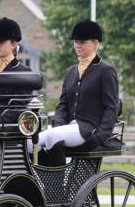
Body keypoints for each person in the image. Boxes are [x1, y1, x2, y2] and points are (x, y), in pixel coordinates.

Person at [37, 19, 121, 165]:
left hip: (88, 129)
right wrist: (59, 124)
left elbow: (111, 107)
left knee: (52, 137)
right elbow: (63, 104)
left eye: (82, 42)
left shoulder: (106, 70)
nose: (77, 45)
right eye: (75, 42)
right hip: (68, 127)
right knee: (31, 141)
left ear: (95, 43)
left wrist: (100, 136)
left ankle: (57, 179)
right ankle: (42, 177)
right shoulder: (70, 72)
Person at [0, 18, 31, 123]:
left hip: (5, 128)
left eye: (1, 41)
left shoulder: (23, 72)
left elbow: (18, 110)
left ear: (13, 44)